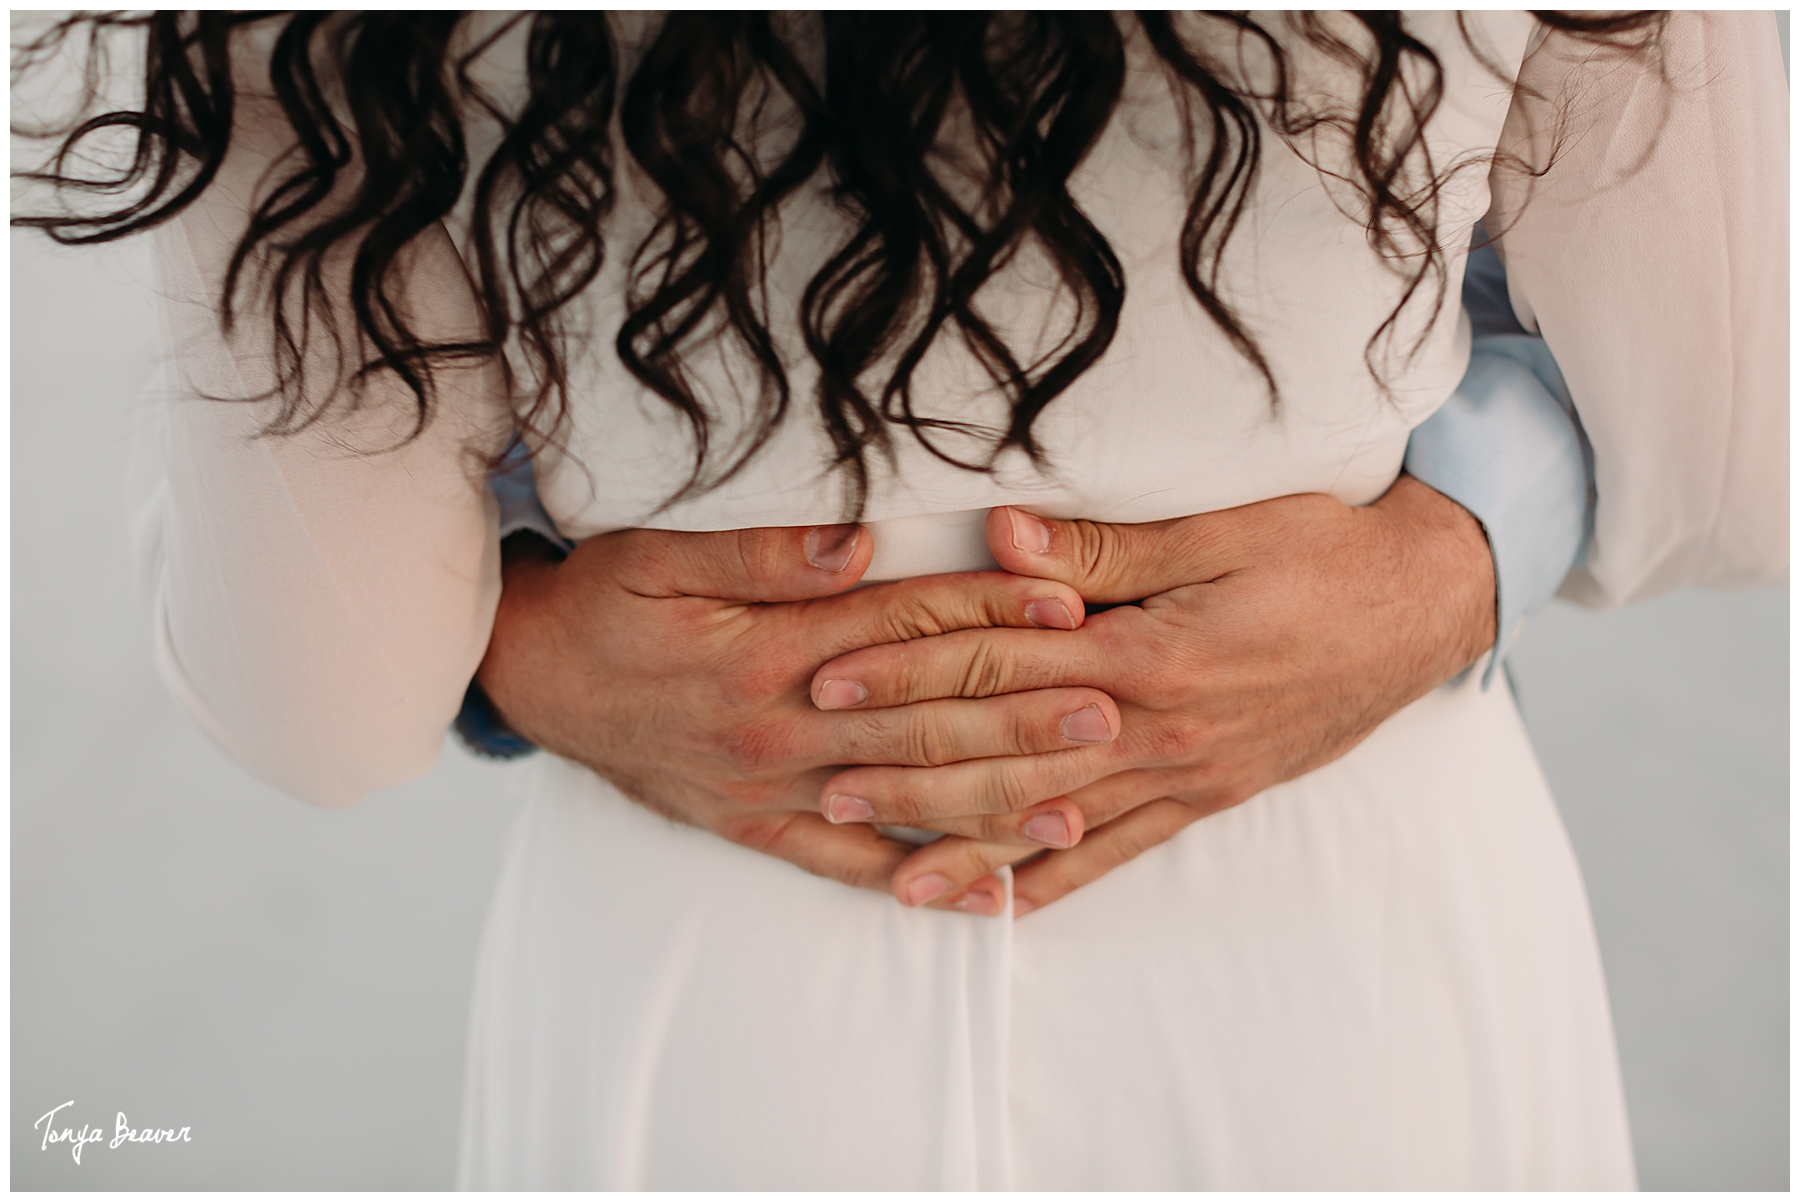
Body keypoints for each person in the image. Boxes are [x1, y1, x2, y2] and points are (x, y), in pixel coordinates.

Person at [22, 10, 1785, 1189]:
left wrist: (529, 645)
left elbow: (312, 688)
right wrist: (1460, 545)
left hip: (722, 994)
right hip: (1353, 961)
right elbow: (1741, 424)